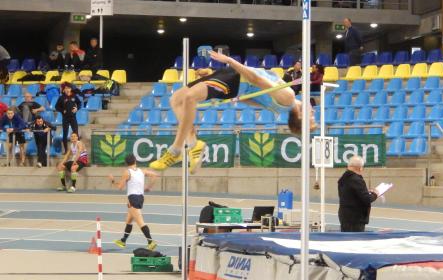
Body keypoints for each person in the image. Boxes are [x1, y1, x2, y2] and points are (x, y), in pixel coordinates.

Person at [149, 51, 314, 173]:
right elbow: (252, 99)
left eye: (311, 117)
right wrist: (219, 81)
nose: (313, 112)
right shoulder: (279, 108)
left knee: (190, 98)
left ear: (299, 116)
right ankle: (193, 143)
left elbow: (255, 79)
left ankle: (175, 150)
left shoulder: (287, 97)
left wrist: (229, 61)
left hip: (236, 79)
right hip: (231, 78)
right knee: (176, 99)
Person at [108, 154, 158, 250]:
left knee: (140, 222)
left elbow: (120, 187)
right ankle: (123, 241)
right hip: (140, 197)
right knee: (129, 220)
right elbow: (155, 175)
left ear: (126, 163)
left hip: (133, 199)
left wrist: (112, 181)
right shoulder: (142, 171)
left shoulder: (127, 172)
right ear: (135, 161)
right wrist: (148, 187)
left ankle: (151, 242)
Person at [338, 156, 379, 232]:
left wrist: (366, 192)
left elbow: (352, 194)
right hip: (355, 217)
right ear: (360, 168)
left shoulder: (343, 178)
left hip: (345, 215)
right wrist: (375, 194)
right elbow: (367, 199)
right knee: (355, 241)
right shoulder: (356, 179)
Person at [55, 83, 81, 153]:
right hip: (65, 118)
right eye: (66, 88)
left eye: (68, 88)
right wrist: (62, 110)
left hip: (73, 117)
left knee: (76, 133)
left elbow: (79, 103)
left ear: (70, 89)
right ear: (64, 90)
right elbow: (56, 107)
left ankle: (78, 149)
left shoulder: (74, 96)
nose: (67, 89)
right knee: (65, 134)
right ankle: (66, 150)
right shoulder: (61, 98)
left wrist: (76, 108)